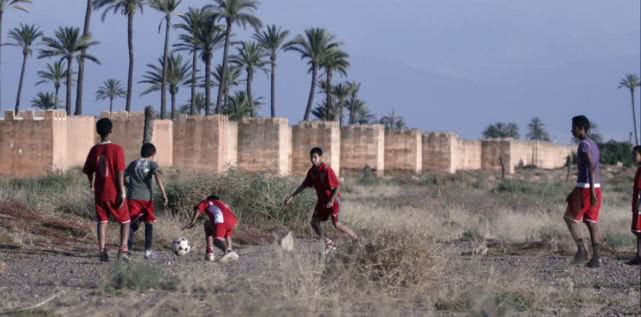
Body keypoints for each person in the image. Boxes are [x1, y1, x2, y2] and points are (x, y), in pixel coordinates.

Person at [284, 147, 357, 252]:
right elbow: (304, 185)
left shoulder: (326, 169)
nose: (313, 160)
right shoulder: (311, 172)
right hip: (322, 202)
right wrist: (291, 196)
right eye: (311, 157)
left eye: (315, 157)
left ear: (320, 158)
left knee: (337, 225)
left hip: (334, 201)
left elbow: (337, 186)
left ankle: (355, 238)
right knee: (314, 222)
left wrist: (331, 201)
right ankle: (329, 244)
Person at [82, 118, 130, 262]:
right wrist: (122, 191)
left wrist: (91, 183)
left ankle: (102, 251)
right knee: (125, 221)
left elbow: (88, 170)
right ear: (111, 131)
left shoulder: (94, 149)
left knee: (102, 222)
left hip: (100, 192)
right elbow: (120, 171)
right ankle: (123, 250)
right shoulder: (117, 149)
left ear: (98, 132)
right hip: (114, 192)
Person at [564, 115, 602, 267]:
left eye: (573, 127)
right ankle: (596, 258)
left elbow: (591, 167)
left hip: (586, 188)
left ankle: (582, 252)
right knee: (591, 221)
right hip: (596, 187)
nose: (571, 130)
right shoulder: (593, 144)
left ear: (581, 129)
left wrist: (590, 191)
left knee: (570, 218)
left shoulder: (583, 145)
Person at [125, 143, 168, 259]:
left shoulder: (133, 164)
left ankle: (127, 251)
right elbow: (157, 176)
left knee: (133, 223)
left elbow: (123, 176)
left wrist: (127, 185)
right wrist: (164, 194)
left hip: (132, 197)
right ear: (153, 154)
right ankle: (148, 252)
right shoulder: (152, 164)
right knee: (149, 223)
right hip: (146, 198)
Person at [183, 195, 239, 262]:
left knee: (216, 240)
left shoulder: (207, 201)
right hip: (234, 221)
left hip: (221, 219)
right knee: (209, 224)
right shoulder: (222, 204)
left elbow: (198, 208)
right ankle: (212, 254)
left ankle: (228, 252)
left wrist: (192, 222)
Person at [627, 145, 641, 265]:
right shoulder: (639, 169)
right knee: (637, 230)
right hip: (637, 203)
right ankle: (638, 256)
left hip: (640, 205)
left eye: (635, 154)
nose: (633, 157)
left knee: (638, 230)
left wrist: (638, 206)